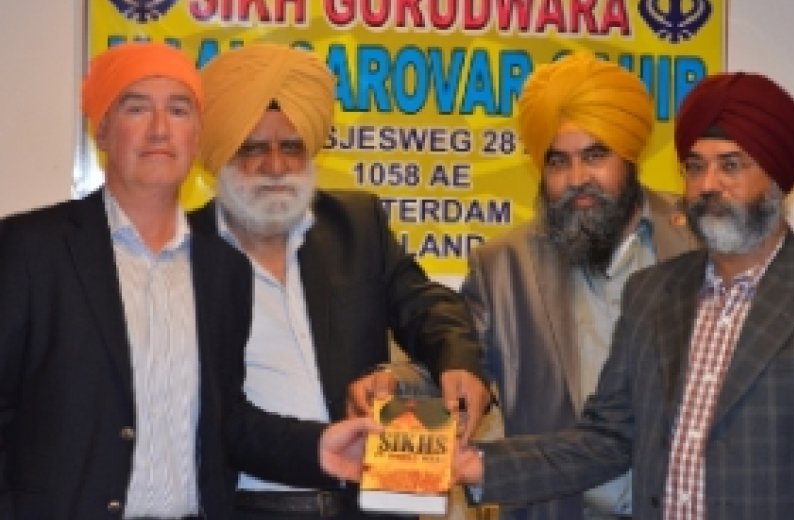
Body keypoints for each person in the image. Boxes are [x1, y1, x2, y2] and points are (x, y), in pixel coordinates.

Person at [0, 42, 378, 520]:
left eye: (178, 110)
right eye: (137, 108)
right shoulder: (32, 249)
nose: (160, 129)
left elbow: (226, 420)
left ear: (197, 136)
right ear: (102, 130)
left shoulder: (223, 269)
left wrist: (319, 445)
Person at [455, 71, 794, 519]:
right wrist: (478, 466)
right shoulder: (654, 292)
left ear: (777, 179)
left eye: (731, 165)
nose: (708, 185)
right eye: (695, 167)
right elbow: (607, 438)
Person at [188, 42, 490, 519]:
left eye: (291, 147)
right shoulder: (185, 253)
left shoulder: (355, 224)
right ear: (220, 155)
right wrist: (319, 446)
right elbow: (212, 413)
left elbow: (427, 305)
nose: (275, 166)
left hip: (368, 506)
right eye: (253, 148)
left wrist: (458, 360)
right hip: (249, 507)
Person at [460, 53, 696, 520]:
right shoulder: (503, 266)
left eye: (595, 156)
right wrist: (393, 381)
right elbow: (454, 365)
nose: (577, 179)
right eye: (558, 161)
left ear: (629, 155)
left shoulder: (698, 242)